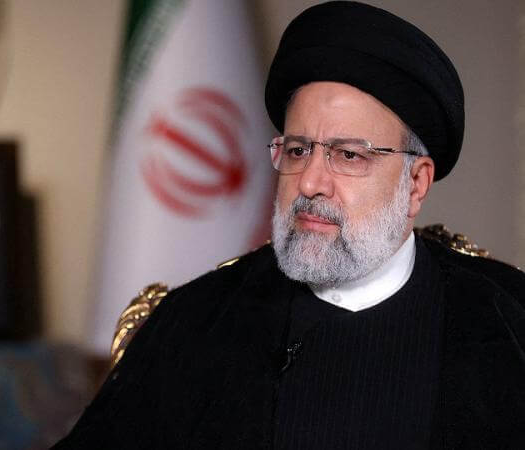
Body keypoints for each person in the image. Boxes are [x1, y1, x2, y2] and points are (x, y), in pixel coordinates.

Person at [54, 2, 525, 448]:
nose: (311, 183)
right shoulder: (195, 321)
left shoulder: (507, 322)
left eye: (348, 155)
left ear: (416, 184)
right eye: (298, 151)